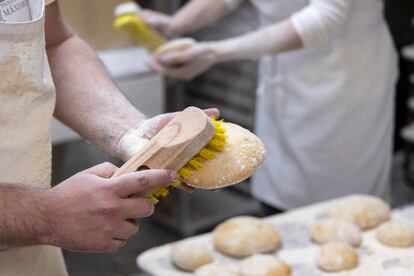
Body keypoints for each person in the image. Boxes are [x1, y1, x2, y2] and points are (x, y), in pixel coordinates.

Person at [0, 0, 218, 275]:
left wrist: (131, 134)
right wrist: (44, 215)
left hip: (33, 257)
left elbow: (55, 42)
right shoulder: (44, 218)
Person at [143, 0, 398, 215]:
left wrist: (214, 52)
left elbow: (327, 17)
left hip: (342, 76)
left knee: (342, 200)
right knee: (280, 185)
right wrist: (177, 23)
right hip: (284, 71)